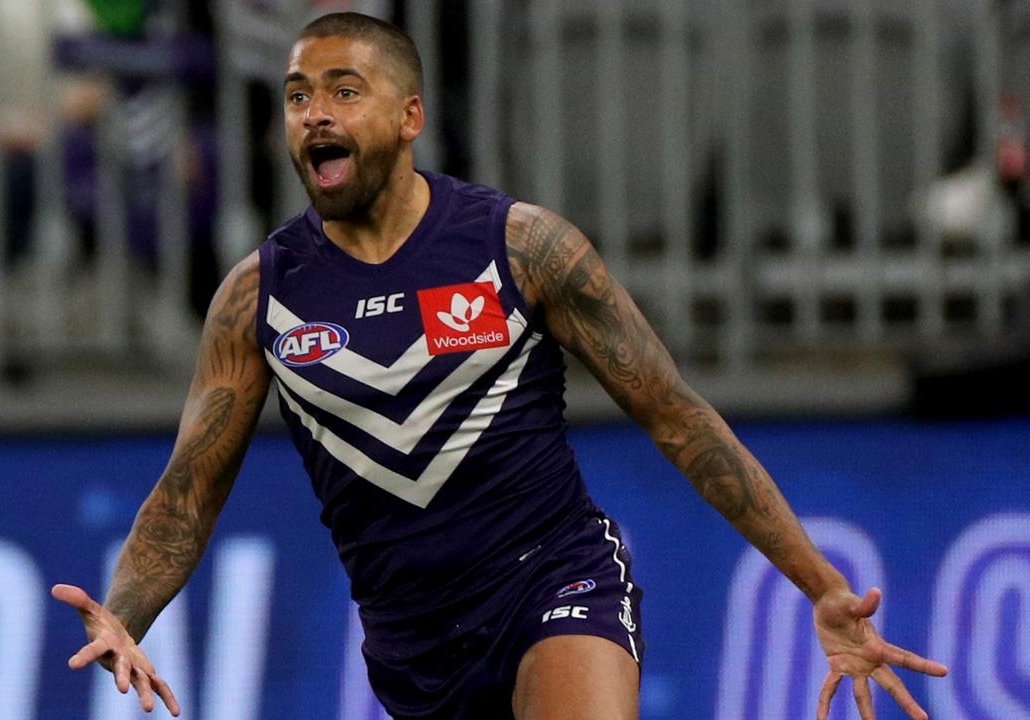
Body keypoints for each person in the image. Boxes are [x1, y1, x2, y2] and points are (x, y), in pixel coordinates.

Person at [52, 12, 947, 720]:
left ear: (410, 119)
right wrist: (125, 614)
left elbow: (677, 416)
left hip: (554, 578)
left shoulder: (522, 248)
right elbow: (187, 494)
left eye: (343, 90)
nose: (314, 113)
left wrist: (822, 588)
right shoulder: (259, 298)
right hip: (412, 648)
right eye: (295, 96)